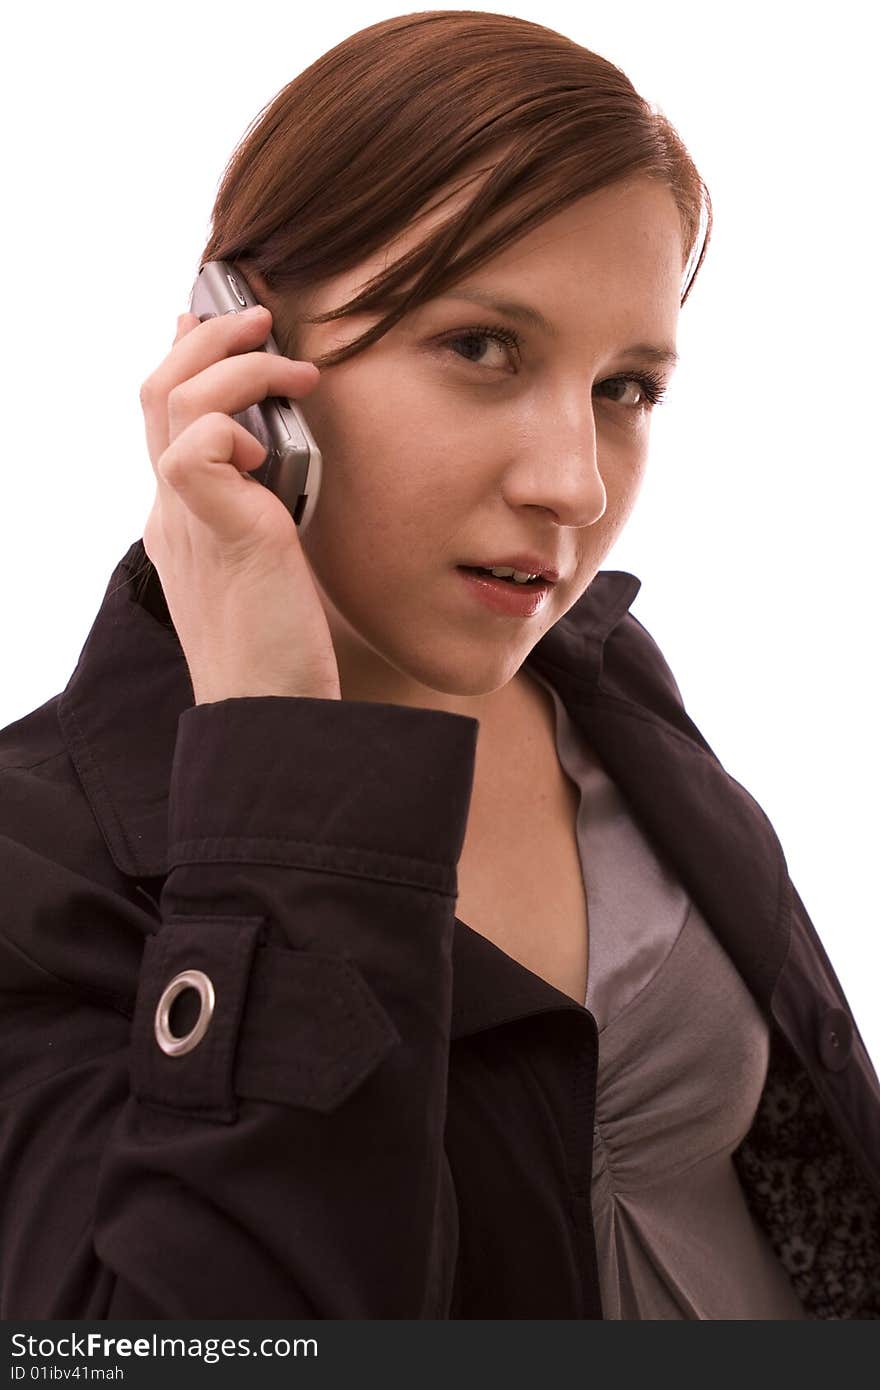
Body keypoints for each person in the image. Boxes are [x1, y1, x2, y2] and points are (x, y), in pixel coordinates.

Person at [0, 9, 877, 1321]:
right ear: (241, 354)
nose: (573, 484)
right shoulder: (40, 858)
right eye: (482, 348)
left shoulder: (602, 677)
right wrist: (277, 761)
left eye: (626, 387)